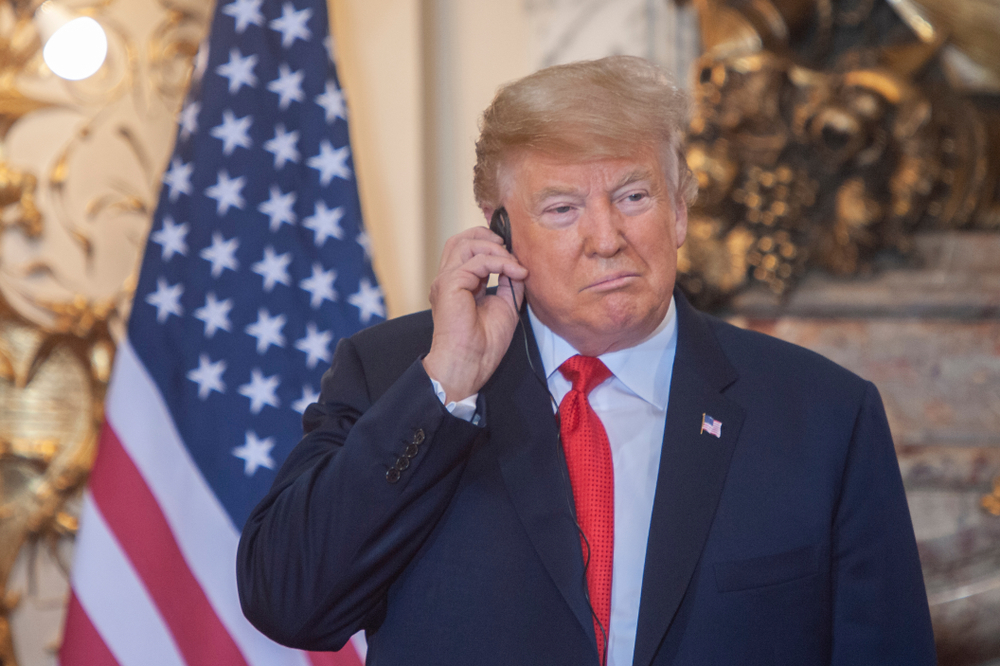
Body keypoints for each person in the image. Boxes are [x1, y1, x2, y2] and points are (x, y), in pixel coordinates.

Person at [237, 56, 936, 665]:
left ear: (681, 211)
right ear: (500, 228)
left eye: (633, 197)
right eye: (563, 209)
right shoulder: (395, 374)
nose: (607, 239)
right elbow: (290, 603)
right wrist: (445, 386)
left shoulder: (824, 417)